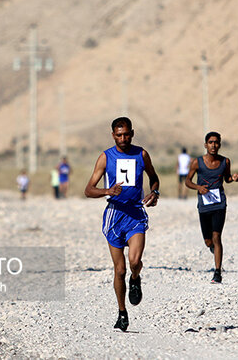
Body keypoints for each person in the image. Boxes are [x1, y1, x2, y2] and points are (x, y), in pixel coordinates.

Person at [84, 117, 160, 332]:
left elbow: (154, 177)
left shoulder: (141, 154)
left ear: (132, 133)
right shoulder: (105, 157)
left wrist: (154, 192)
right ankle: (122, 312)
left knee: (134, 262)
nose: (123, 138)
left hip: (135, 214)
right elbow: (89, 189)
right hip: (114, 215)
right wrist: (107, 191)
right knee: (119, 270)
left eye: (126, 134)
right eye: (119, 135)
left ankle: (136, 278)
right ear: (113, 135)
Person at [185, 131, 238, 284]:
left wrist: (233, 178)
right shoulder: (197, 162)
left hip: (219, 204)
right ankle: (212, 248)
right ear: (205, 145)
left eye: (216, 142)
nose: (213, 145)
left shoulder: (225, 162)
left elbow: (227, 179)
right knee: (208, 241)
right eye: (210, 142)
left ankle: (217, 272)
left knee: (217, 237)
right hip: (204, 205)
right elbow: (187, 181)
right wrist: (198, 187)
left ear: (219, 145)